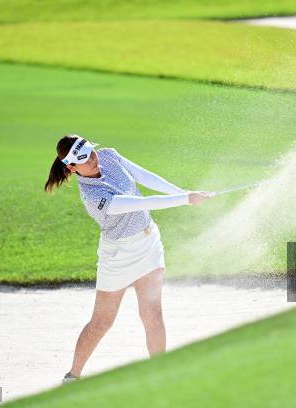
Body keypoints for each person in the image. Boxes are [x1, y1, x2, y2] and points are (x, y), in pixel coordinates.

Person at [43, 134, 211, 383]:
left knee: (152, 314)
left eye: (90, 152)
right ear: (71, 167)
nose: (92, 160)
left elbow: (143, 176)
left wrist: (184, 193)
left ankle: (161, 374)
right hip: (118, 256)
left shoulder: (109, 155)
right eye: (83, 160)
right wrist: (185, 200)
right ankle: (73, 376)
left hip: (149, 243)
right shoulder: (92, 197)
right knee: (102, 322)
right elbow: (139, 203)